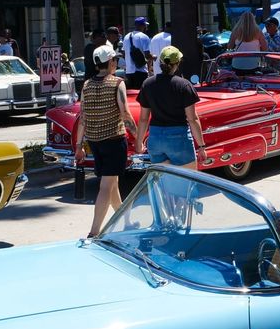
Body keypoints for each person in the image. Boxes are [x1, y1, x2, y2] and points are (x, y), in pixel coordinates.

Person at [74, 44, 135, 238]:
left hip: (95, 142)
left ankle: (125, 221)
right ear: (110, 62)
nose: (116, 62)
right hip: (114, 141)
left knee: (112, 182)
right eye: (115, 59)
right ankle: (94, 231)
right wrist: (138, 137)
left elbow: (82, 117)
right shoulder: (117, 83)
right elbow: (125, 113)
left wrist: (79, 146)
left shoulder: (86, 85)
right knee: (106, 187)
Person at [135, 46, 208, 169]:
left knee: (164, 180)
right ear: (177, 63)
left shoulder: (147, 84)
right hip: (179, 138)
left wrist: (139, 142)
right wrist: (201, 146)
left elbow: (143, 119)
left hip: (155, 138)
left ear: (160, 62)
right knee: (186, 179)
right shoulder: (184, 85)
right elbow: (192, 119)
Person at [122, 18, 152, 90]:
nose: (146, 27)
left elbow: (124, 53)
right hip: (141, 71)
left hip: (129, 72)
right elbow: (147, 55)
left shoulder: (126, 36)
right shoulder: (144, 37)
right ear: (143, 25)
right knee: (140, 93)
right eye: (145, 25)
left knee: (131, 94)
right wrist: (154, 56)